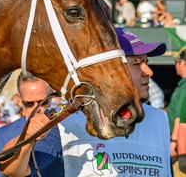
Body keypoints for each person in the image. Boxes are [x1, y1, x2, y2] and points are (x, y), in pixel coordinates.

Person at [59, 27, 172, 176]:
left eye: (146, 62)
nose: (149, 71)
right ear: (109, 69)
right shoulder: (66, 124)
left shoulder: (159, 119)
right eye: (136, 63)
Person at [0, 74, 64, 177]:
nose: (37, 109)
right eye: (29, 103)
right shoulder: (4, 134)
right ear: (19, 99)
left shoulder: (64, 127)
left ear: (52, 96)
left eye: (43, 102)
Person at [168, 50, 186, 175]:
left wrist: (173, 142)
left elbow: (180, 118)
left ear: (183, 63)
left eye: (176, 62)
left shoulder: (185, 86)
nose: (175, 65)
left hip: (179, 145)